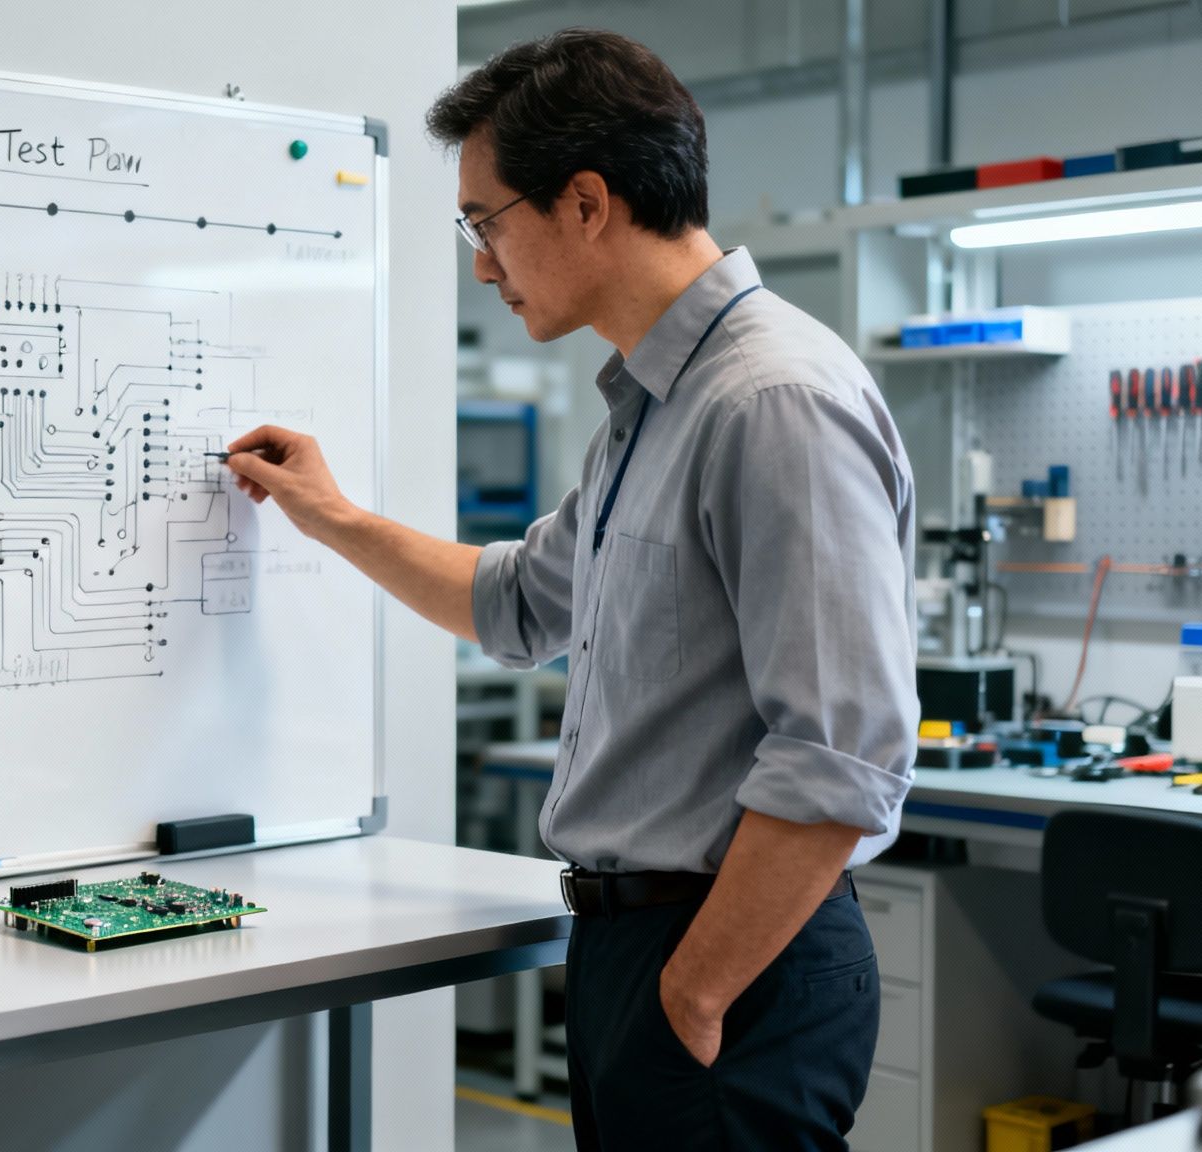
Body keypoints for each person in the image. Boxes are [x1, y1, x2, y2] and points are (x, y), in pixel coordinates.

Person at [224, 28, 918, 1151]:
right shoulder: (652, 409)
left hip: (726, 964)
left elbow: (841, 760)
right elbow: (511, 603)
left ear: (585, 202)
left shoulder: (768, 402)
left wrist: (692, 991)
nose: (482, 264)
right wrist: (332, 516)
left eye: (484, 223)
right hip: (633, 951)